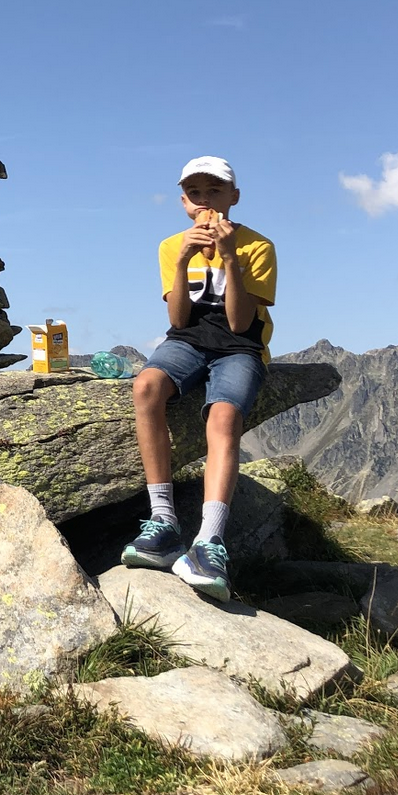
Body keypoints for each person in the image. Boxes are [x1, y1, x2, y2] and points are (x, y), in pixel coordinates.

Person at [122, 155, 277, 602]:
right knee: (146, 387)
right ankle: (163, 522)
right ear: (184, 202)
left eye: (214, 192)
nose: (205, 202)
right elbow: (177, 317)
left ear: (234, 198)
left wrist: (228, 256)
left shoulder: (257, 247)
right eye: (195, 194)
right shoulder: (172, 245)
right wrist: (185, 258)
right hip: (187, 340)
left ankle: (209, 541)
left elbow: (238, 323)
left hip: (239, 346)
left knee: (224, 417)